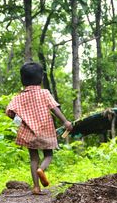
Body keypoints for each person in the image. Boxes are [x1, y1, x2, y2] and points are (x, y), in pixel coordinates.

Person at [6, 61, 73, 195]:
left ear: (22, 79)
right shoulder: (44, 93)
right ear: (41, 78)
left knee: (33, 158)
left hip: (28, 132)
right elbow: (54, 109)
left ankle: (36, 187)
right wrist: (65, 121)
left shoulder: (19, 97)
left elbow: (9, 112)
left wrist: (21, 121)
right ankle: (42, 169)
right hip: (45, 130)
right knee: (48, 155)